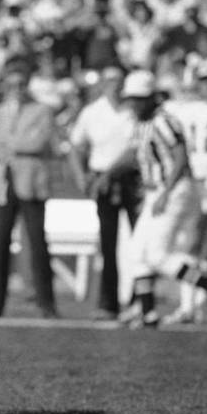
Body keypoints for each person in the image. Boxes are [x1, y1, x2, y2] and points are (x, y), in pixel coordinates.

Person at [118, 70, 207, 328]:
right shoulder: (142, 124)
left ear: (151, 98)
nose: (134, 104)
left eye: (139, 99)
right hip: (157, 191)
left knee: (157, 255)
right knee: (136, 251)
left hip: (174, 189)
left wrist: (166, 192)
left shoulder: (164, 121)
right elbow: (138, 158)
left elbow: (181, 158)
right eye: (132, 99)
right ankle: (148, 313)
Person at [0, 56, 59, 319]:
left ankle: (46, 302)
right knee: (0, 244)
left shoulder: (42, 111)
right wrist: (17, 145)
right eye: (12, 83)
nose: (17, 88)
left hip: (30, 182)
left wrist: (10, 145)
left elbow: (39, 143)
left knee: (38, 243)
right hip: (2, 182)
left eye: (21, 83)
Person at [67, 65, 141, 320]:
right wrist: (81, 176)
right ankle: (108, 302)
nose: (115, 86)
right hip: (103, 182)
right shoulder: (91, 112)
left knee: (139, 242)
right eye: (110, 81)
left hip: (131, 179)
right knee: (107, 244)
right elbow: (76, 147)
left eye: (119, 81)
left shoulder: (133, 111)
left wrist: (107, 174)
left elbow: (134, 150)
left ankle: (138, 301)